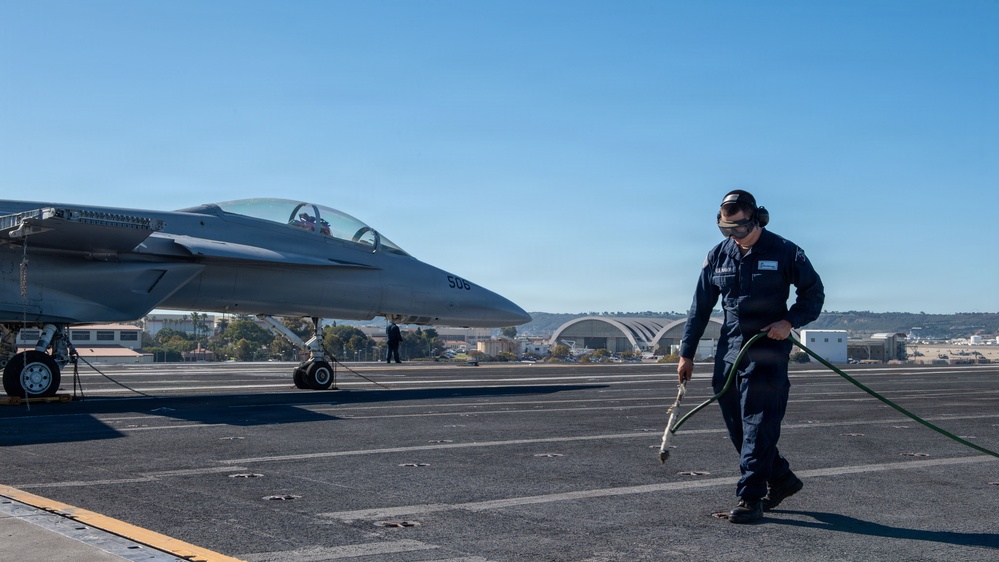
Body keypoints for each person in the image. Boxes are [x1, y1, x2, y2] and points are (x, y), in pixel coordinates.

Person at [677, 189, 824, 524]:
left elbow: (813, 293)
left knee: (759, 424)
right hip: (730, 352)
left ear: (758, 220)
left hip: (768, 350)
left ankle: (750, 497)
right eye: (727, 231)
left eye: (740, 230)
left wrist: (789, 322)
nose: (735, 237)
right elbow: (699, 308)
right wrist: (686, 354)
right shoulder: (718, 255)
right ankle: (782, 478)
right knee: (738, 428)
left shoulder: (786, 251)